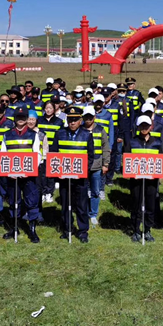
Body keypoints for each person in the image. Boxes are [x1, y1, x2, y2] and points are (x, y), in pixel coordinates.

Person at [51, 106, 94, 243]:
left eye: (75, 120)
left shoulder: (87, 135)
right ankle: (67, 228)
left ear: (80, 120)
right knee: (66, 204)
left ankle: (83, 231)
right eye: (70, 120)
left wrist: (83, 170)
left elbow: (91, 156)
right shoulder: (60, 133)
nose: (72, 122)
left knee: (81, 205)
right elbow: (54, 153)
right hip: (64, 177)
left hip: (80, 177)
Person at [0, 107, 43, 243]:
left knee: (31, 201)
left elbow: (37, 154)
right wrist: (8, 172)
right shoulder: (7, 134)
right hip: (12, 175)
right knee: (14, 201)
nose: (20, 119)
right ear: (14, 118)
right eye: (18, 117)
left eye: (23, 117)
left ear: (26, 118)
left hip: (29, 175)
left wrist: (29, 170)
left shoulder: (33, 135)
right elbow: (3, 154)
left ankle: (32, 229)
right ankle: (14, 228)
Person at [125, 115, 163, 242]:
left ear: (150, 127)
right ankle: (136, 230)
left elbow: (161, 160)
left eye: (146, 125)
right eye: (141, 125)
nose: (144, 128)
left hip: (152, 180)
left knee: (150, 204)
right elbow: (126, 159)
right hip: (136, 180)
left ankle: (147, 229)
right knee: (136, 203)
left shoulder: (157, 142)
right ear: (137, 126)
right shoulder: (132, 142)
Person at [81, 106, 110, 227]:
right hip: (82, 165)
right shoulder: (80, 130)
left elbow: (106, 148)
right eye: (86, 116)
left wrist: (105, 164)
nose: (88, 119)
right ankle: (82, 211)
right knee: (82, 191)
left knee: (95, 191)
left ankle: (93, 214)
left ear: (94, 117)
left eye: (90, 116)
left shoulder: (100, 130)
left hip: (96, 165)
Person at [37, 100, 64, 203]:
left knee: (51, 172)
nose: (48, 110)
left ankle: (49, 192)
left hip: (54, 149)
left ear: (54, 109)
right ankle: (43, 192)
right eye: (47, 108)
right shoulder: (39, 120)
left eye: (50, 108)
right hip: (42, 149)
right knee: (42, 173)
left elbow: (61, 135)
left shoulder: (59, 121)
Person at [0, 103, 15, 208]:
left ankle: (6, 195)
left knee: (4, 178)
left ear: (4, 112)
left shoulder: (9, 123)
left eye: (0, 111)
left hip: (5, 153)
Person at [27, 109, 49, 223]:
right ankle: (28, 211)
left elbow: (45, 149)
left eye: (33, 119)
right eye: (29, 119)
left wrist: (41, 162)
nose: (31, 122)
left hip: (39, 165)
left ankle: (39, 211)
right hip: (25, 164)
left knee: (37, 189)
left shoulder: (41, 134)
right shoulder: (23, 133)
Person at [93, 93, 115, 192]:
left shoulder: (108, 114)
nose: (98, 104)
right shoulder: (90, 113)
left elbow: (111, 131)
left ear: (103, 103)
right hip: (92, 144)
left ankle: (101, 189)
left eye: (100, 102)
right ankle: (90, 188)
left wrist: (110, 146)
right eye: (96, 102)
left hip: (104, 145)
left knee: (103, 167)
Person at [102, 87, 120, 185]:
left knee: (112, 157)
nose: (105, 98)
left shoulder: (117, 105)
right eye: (103, 96)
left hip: (113, 134)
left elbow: (122, 120)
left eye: (107, 96)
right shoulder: (98, 106)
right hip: (100, 137)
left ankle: (109, 178)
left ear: (111, 95)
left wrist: (120, 135)